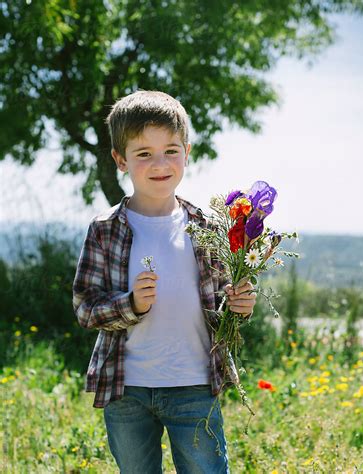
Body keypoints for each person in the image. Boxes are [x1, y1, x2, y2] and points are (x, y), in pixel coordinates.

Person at [72, 89, 257, 473]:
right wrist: (131, 304)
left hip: (193, 384)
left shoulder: (207, 226)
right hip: (127, 390)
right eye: (143, 154)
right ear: (120, 160)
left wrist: (238, 306)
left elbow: (220, 307)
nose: (160, 163)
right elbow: (85, 308)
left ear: (186, 153)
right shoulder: (105, 229)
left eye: (171, 150)